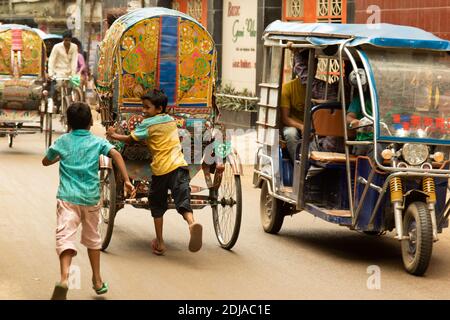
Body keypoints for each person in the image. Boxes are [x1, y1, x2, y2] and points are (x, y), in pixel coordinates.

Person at [42, 102, 134, 300]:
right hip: (91, 199)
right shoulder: (97, 142)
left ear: (68, 122)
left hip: (67, 198)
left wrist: (60, 157)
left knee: (65, 237)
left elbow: (46, 160)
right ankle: (97, 280)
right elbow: (116, 154)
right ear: (91, 122)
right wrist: (126, 181)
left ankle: (65, 278)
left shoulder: (62, 141)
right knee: (93, 240)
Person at [106, 89, 203, 256]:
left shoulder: (147, 124)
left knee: (157, 205)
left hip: (161, 171)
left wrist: (114, 135)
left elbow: (131, 139)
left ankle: (159, 242)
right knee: (182, 198)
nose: (143, 111)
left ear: (158, 109)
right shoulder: (171, 120)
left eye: (147, 108)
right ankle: (191, 223)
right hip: (180, 166)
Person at [47, 30, 78, 103]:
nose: (67, 42)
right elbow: (51, 60)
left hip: (69, 73)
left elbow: (74, 61)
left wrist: (73, 74)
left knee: (74, 86)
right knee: (56, 87)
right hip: (58, 72)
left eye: (68, 40)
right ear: (63, 39)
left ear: (71, 40)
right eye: (65, 40)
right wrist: (50, 73)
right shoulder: (57, 47)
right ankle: (54, 101)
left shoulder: (74, 47)